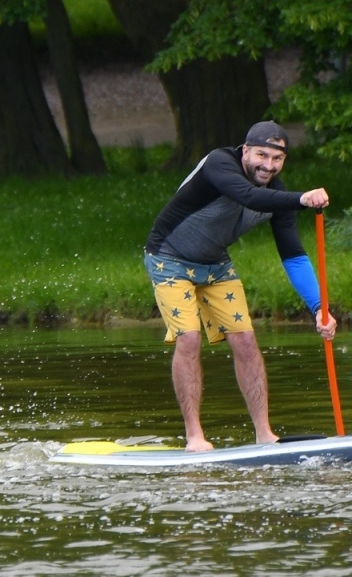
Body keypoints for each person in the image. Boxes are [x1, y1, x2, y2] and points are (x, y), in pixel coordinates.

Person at [143, 121, 337, 451]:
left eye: (277, 159)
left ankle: (264, 434)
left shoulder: (278, 194)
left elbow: (293, 256)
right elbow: (247, 195)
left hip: (215, 262)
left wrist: (320, 307)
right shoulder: (220, 163)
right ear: (246, 151)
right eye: (261, 155)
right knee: (189, 339)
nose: (268, 165)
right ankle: (195, 437)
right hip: (168, 258)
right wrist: (302, 198)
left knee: (246, 339)